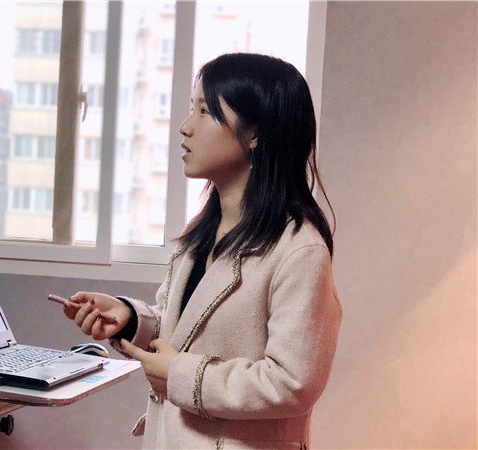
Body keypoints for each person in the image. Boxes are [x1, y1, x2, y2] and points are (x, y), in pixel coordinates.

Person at [61, 53, 343, 449]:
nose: (185, 127)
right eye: (191, 108)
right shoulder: (202, 232)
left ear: (254, 133)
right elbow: (186, 330)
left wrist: (181, 375)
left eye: (205, 111)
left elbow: (292, 383)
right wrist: (129, 319)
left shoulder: (299, 250)